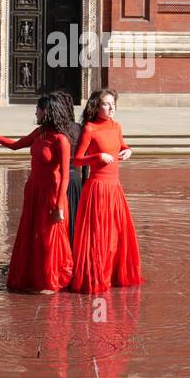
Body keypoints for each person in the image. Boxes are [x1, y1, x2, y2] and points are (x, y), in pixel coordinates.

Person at [0, 92, 75, 294]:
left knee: (49, 237)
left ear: (47, 112)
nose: (35, 112)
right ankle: (33, 276)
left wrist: (59, 206)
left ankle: (51, 280)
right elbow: (16, 145)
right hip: (33, 190)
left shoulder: (61, 140)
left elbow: (66, 176)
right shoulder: (39, 133)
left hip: (51, 193)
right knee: (32, 235)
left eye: (38, 109)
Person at [69, 89, 143, 294]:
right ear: (96, 106)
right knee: (99, 235)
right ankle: (96, 275)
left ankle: (112, 274)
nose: (111, 108)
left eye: (113, 104)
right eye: (106, 104)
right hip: (98, 188)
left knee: (115, 234)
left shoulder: (116, 126)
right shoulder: (90, 129)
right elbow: (77, 160)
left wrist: (128, 150)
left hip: (115, 187)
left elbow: (122, 145)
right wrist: (97, 157)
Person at [50, 89, 86, 241]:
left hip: (60, 179)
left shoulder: (55, 130)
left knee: (59, 219)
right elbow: (84, 160)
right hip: (76, 178)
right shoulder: (79, 128)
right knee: (74, 217)